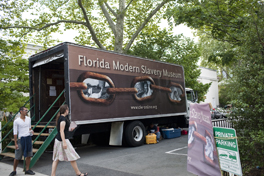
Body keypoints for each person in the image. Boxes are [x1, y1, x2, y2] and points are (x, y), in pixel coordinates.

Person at [51, 104, 87, 176]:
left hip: (59, 140)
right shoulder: (63, 119)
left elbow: (63, 130)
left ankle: (53, 174)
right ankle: (78, 173)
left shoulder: (61, 118)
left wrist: (70, 129)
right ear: (66, 110)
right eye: (68, 110)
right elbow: (61, 131)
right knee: (71, 156)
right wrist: (64, 142)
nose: (68, 111)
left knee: (56, 158)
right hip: (63, 140)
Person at [9, 107, 35, 176]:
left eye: (27, 110)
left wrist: (31, 131)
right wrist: (15, 143)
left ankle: (27, 169)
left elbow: (29, 128)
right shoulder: (16, 121)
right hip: (21, 139)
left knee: (29, 155)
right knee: (17, 156)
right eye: (25, 110)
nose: (27, 111)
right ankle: (14, 171)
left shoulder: (28, 119)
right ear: (21, 111)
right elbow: (15, 132)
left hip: (28, 138)